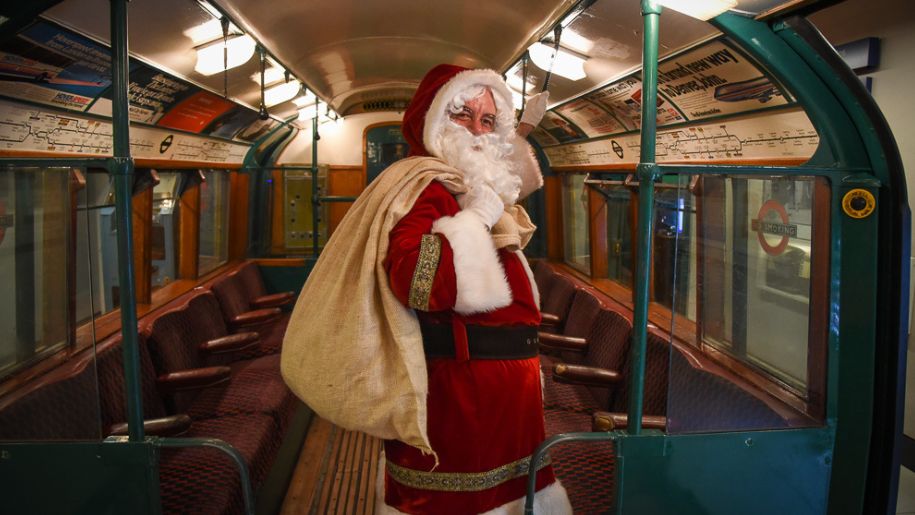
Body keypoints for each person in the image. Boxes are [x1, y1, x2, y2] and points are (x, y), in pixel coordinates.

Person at [281, 64, 569, 515]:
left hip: (503, 390)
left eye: (488, 120)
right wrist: (475, 220)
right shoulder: (424, 187)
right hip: (462, 391)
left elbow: (510, 174)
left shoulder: (467, 183)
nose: (478, 130)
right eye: (463, 115)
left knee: (512, 496)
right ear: (435, 122)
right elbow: (418, 282)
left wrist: (523, 131)